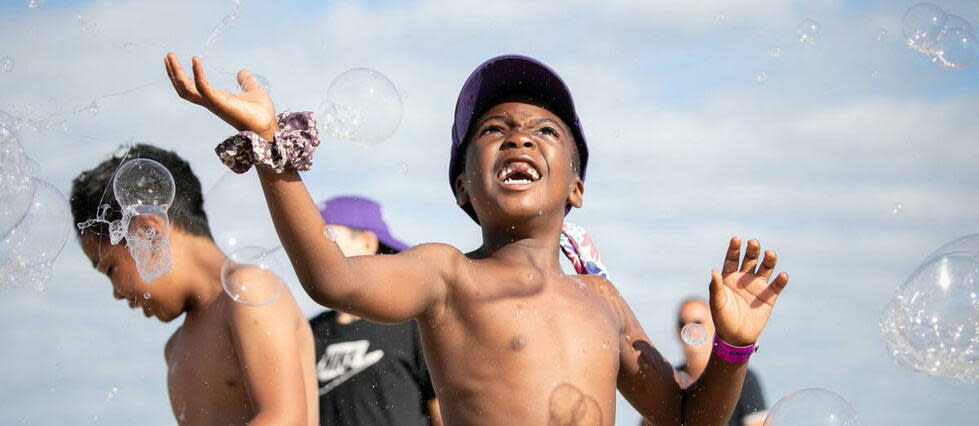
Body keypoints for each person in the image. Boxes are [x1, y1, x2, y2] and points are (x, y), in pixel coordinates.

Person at [164, 52, 791, 425]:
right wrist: (275, 150)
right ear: (462, 187)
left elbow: (682, 417)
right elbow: (335, 276)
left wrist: (733, 349)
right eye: (493, 128)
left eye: (545, 130)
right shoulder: (447, 275)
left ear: (576, 187)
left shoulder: (601, 299)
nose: (519, 135)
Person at [70, 144, 318, 426]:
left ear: (148, 232)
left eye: (111, 269)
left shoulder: (249, 291)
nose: (116, 293)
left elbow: (285, 419)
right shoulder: (175, 348)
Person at [310, 195, 442, 425]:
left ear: (368, 243)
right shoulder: (310, 332)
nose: (315, 249)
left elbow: (441, 407)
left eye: (329, 236)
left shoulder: (411, 324)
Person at [674, 297, 768, 426]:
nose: (689, 328)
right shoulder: (670, 378)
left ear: (714, 327)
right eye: (681, 323)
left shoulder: (742, 377)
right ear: (676, 331)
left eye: (697, 322)